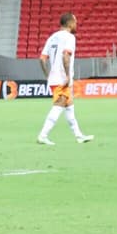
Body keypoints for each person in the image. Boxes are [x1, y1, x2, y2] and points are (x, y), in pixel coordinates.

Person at [37, 12, 94, 145]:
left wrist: (47, 75)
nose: (76, 24)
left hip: (54, 78)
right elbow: (65, 56)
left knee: (69, 107)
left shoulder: (52, 38)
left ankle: (79, 136)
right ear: (69, 23)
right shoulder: (69, 37)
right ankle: (43, 135)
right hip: (62, 79)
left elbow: (42, 59)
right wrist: (68, 75)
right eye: (75, 21)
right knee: (59, 106)